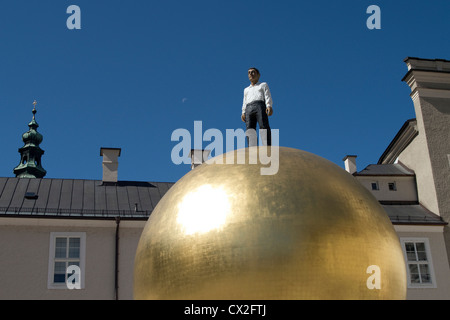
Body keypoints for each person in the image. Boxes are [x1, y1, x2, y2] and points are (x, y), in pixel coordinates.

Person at [241, 67, 273, 146]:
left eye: (253, 72)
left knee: (263, 126)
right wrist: (243, 112)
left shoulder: (263, 85)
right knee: (250, 129)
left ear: (258, 75)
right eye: (249, 73)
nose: (250, 74)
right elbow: (244, 101)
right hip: (249, 108)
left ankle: (267, 146)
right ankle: (252, 148)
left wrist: (269, 105)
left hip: (260, 105)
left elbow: (267, 95)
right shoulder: (246, 89)